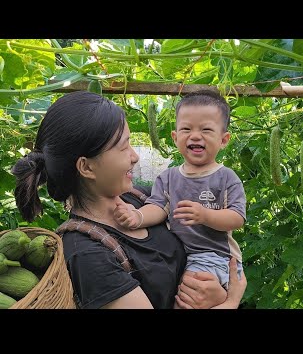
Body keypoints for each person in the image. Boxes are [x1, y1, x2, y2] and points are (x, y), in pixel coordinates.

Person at [11, 90, 246, 309]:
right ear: (86, 167)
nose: (134, 157)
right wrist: (229, 301)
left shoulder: (141, 197)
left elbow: (214, 236)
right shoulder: (87, 255)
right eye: (124, 148)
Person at [114, 90, 246, 305]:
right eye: (186, 129)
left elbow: (237, 218)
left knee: (186, 301)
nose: (195, 135)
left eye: (206, 130)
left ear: (224, 140)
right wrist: (137, 216)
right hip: (179, 255)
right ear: (175, 137)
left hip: (214, 256)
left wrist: (205, 215)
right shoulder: (168, 177)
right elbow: (157, 207)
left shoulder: (226, 178)